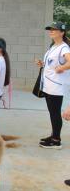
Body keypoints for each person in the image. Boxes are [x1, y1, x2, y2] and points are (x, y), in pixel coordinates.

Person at [36, 21, 70, 150]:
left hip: (56, 86)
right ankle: (53, 135)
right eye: (50, 29)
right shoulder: (53, 46)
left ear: (62, 32)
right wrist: (42, 64)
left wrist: (62, 67)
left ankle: (56, 141)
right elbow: (51, 64)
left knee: (55, 113)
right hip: (49, 85)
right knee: (52, 113)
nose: (51, 31)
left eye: (54, 29)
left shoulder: (64, 47)